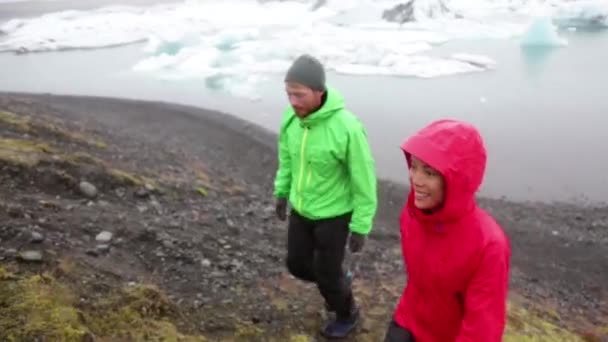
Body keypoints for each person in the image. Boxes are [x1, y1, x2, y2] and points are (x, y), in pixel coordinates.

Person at [273, 54, 378, 339]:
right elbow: (287, 159)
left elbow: (364, 179)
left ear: (319, 92)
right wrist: (282, 192)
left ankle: (347, 312)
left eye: (299, 94)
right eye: (289, 94)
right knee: (296, 263)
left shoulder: (347, 128)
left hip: (335, 214)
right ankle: (336, 282)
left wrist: (361, 225)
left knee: (327, 272)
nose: (293, 102)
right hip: (302, 208)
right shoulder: (291, 120)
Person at [384, 119, 511, 342]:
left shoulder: (488, 245)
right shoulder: (414, 214)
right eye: (413, 167)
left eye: (430, 173)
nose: (416, 180)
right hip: (409, 319)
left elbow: (482, 329)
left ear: (458, 180)